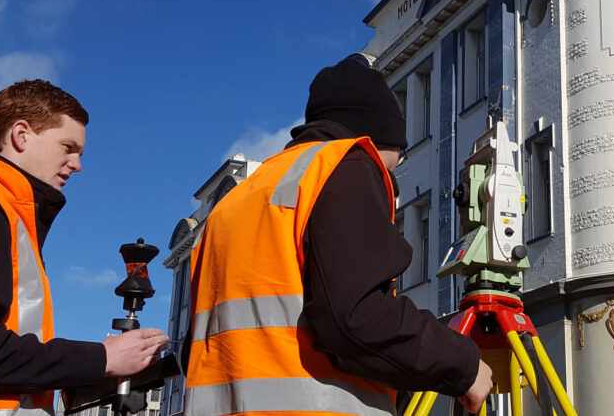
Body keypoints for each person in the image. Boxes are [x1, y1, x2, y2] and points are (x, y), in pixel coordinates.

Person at [185, 55, 493, 415]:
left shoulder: (237, 201)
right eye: (400, 154)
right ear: (379, 138)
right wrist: (463, 364)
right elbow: (359, 317)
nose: (395, 171)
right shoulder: (347, 164)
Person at [0, 79, 168, 415]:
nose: (77, 165)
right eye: (68, 147)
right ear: (21, 135)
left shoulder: (10, 216)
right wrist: (103, 358)